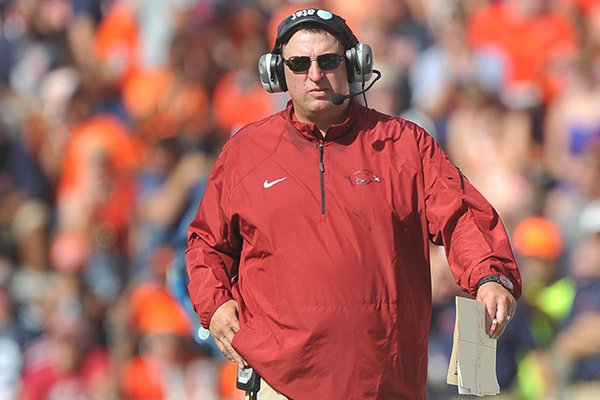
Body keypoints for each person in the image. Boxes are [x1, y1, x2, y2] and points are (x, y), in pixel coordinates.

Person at [186, 8, 521, 399]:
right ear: (276, 73)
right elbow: (206, 244)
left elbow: (462, 216)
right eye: (299, 63)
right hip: (276, 384)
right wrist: (216, 304)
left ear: (354, 65)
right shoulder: (244, 152)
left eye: (327, 61)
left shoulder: (404, 144)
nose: (314, 74)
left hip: (383, 383)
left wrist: (489, 276)